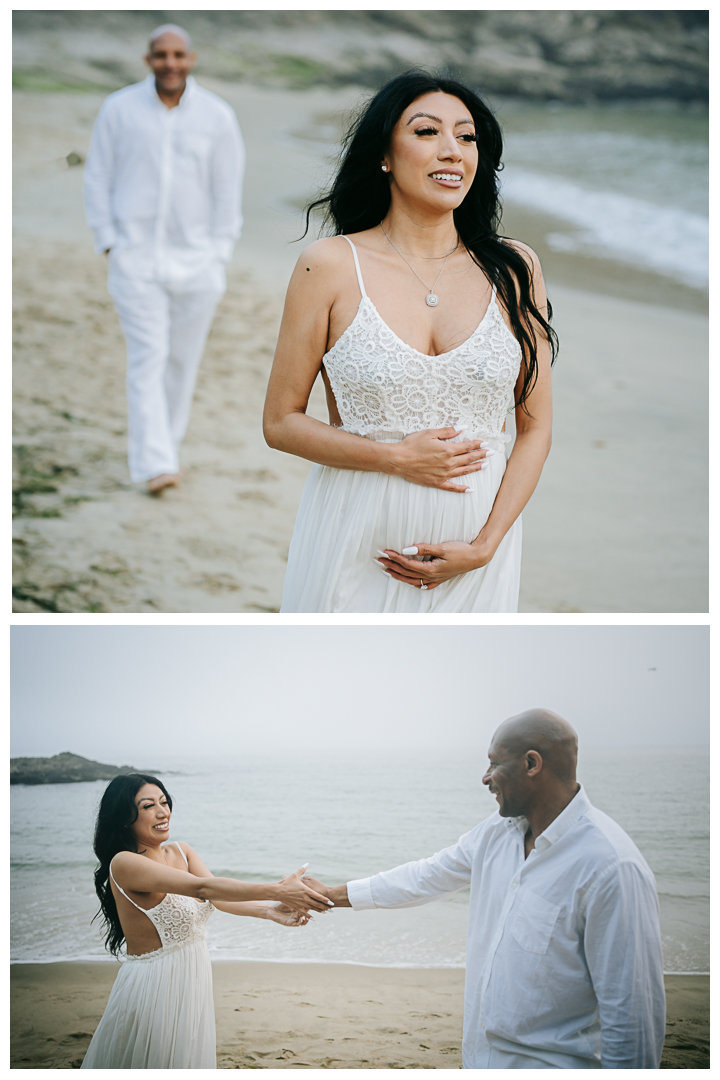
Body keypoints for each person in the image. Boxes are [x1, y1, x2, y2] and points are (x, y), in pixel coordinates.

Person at [263, 71, 555, 612]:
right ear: (384, 156)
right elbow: (281, 422)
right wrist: (395, 458)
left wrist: (486, 546)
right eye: (427, 133)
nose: (452, 152)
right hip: (355, 539)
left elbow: (535, 428)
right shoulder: (329, 266)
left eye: (466, 138)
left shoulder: (514, 268)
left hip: (475, 559)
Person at [303, 710, 666, 1069]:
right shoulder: (497, 832)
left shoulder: (611, 868)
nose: (485, 777)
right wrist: (331, 896)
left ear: (531, 763)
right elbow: (425, 876)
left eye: (494, 763)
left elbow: (632, 1022)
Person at [83, 24, 246, 495]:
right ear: (148, 60)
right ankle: (155, 464)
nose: (169, 62)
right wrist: (109, 241)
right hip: (134, 260)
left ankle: (164, 452)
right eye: (160, 55)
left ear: (191, 59)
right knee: (148, 358)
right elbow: (97, 177)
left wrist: (218, 255)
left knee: (181, 362)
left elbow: (226, 191)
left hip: (198, 264)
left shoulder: (217, 117)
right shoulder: (119, 109)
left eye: (178, 54)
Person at [81, 773, 331, 1069]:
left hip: (192, 976)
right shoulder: (125, 863)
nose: (163, 812)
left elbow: (218, 898)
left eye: (164, 802)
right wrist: (277, 889)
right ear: (124, 817)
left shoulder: (182, 852)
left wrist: (270, 910)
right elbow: (203, 888)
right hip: (155, 983)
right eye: (148, 806)